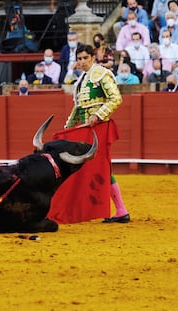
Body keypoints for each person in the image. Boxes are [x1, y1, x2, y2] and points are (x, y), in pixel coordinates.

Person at [50, 45, 130, 224]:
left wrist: (98, 115)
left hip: (100, 128)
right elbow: (78, 109)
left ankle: (120, 210)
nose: (82, 61)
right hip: (87, 131)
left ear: (93, 57)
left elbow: (116, 98)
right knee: (97, 168)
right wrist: (67, 130)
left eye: (85, 58)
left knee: (100, 168)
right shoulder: (82, 80)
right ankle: (120, 210)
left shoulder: (101, 73)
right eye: (79, 58)